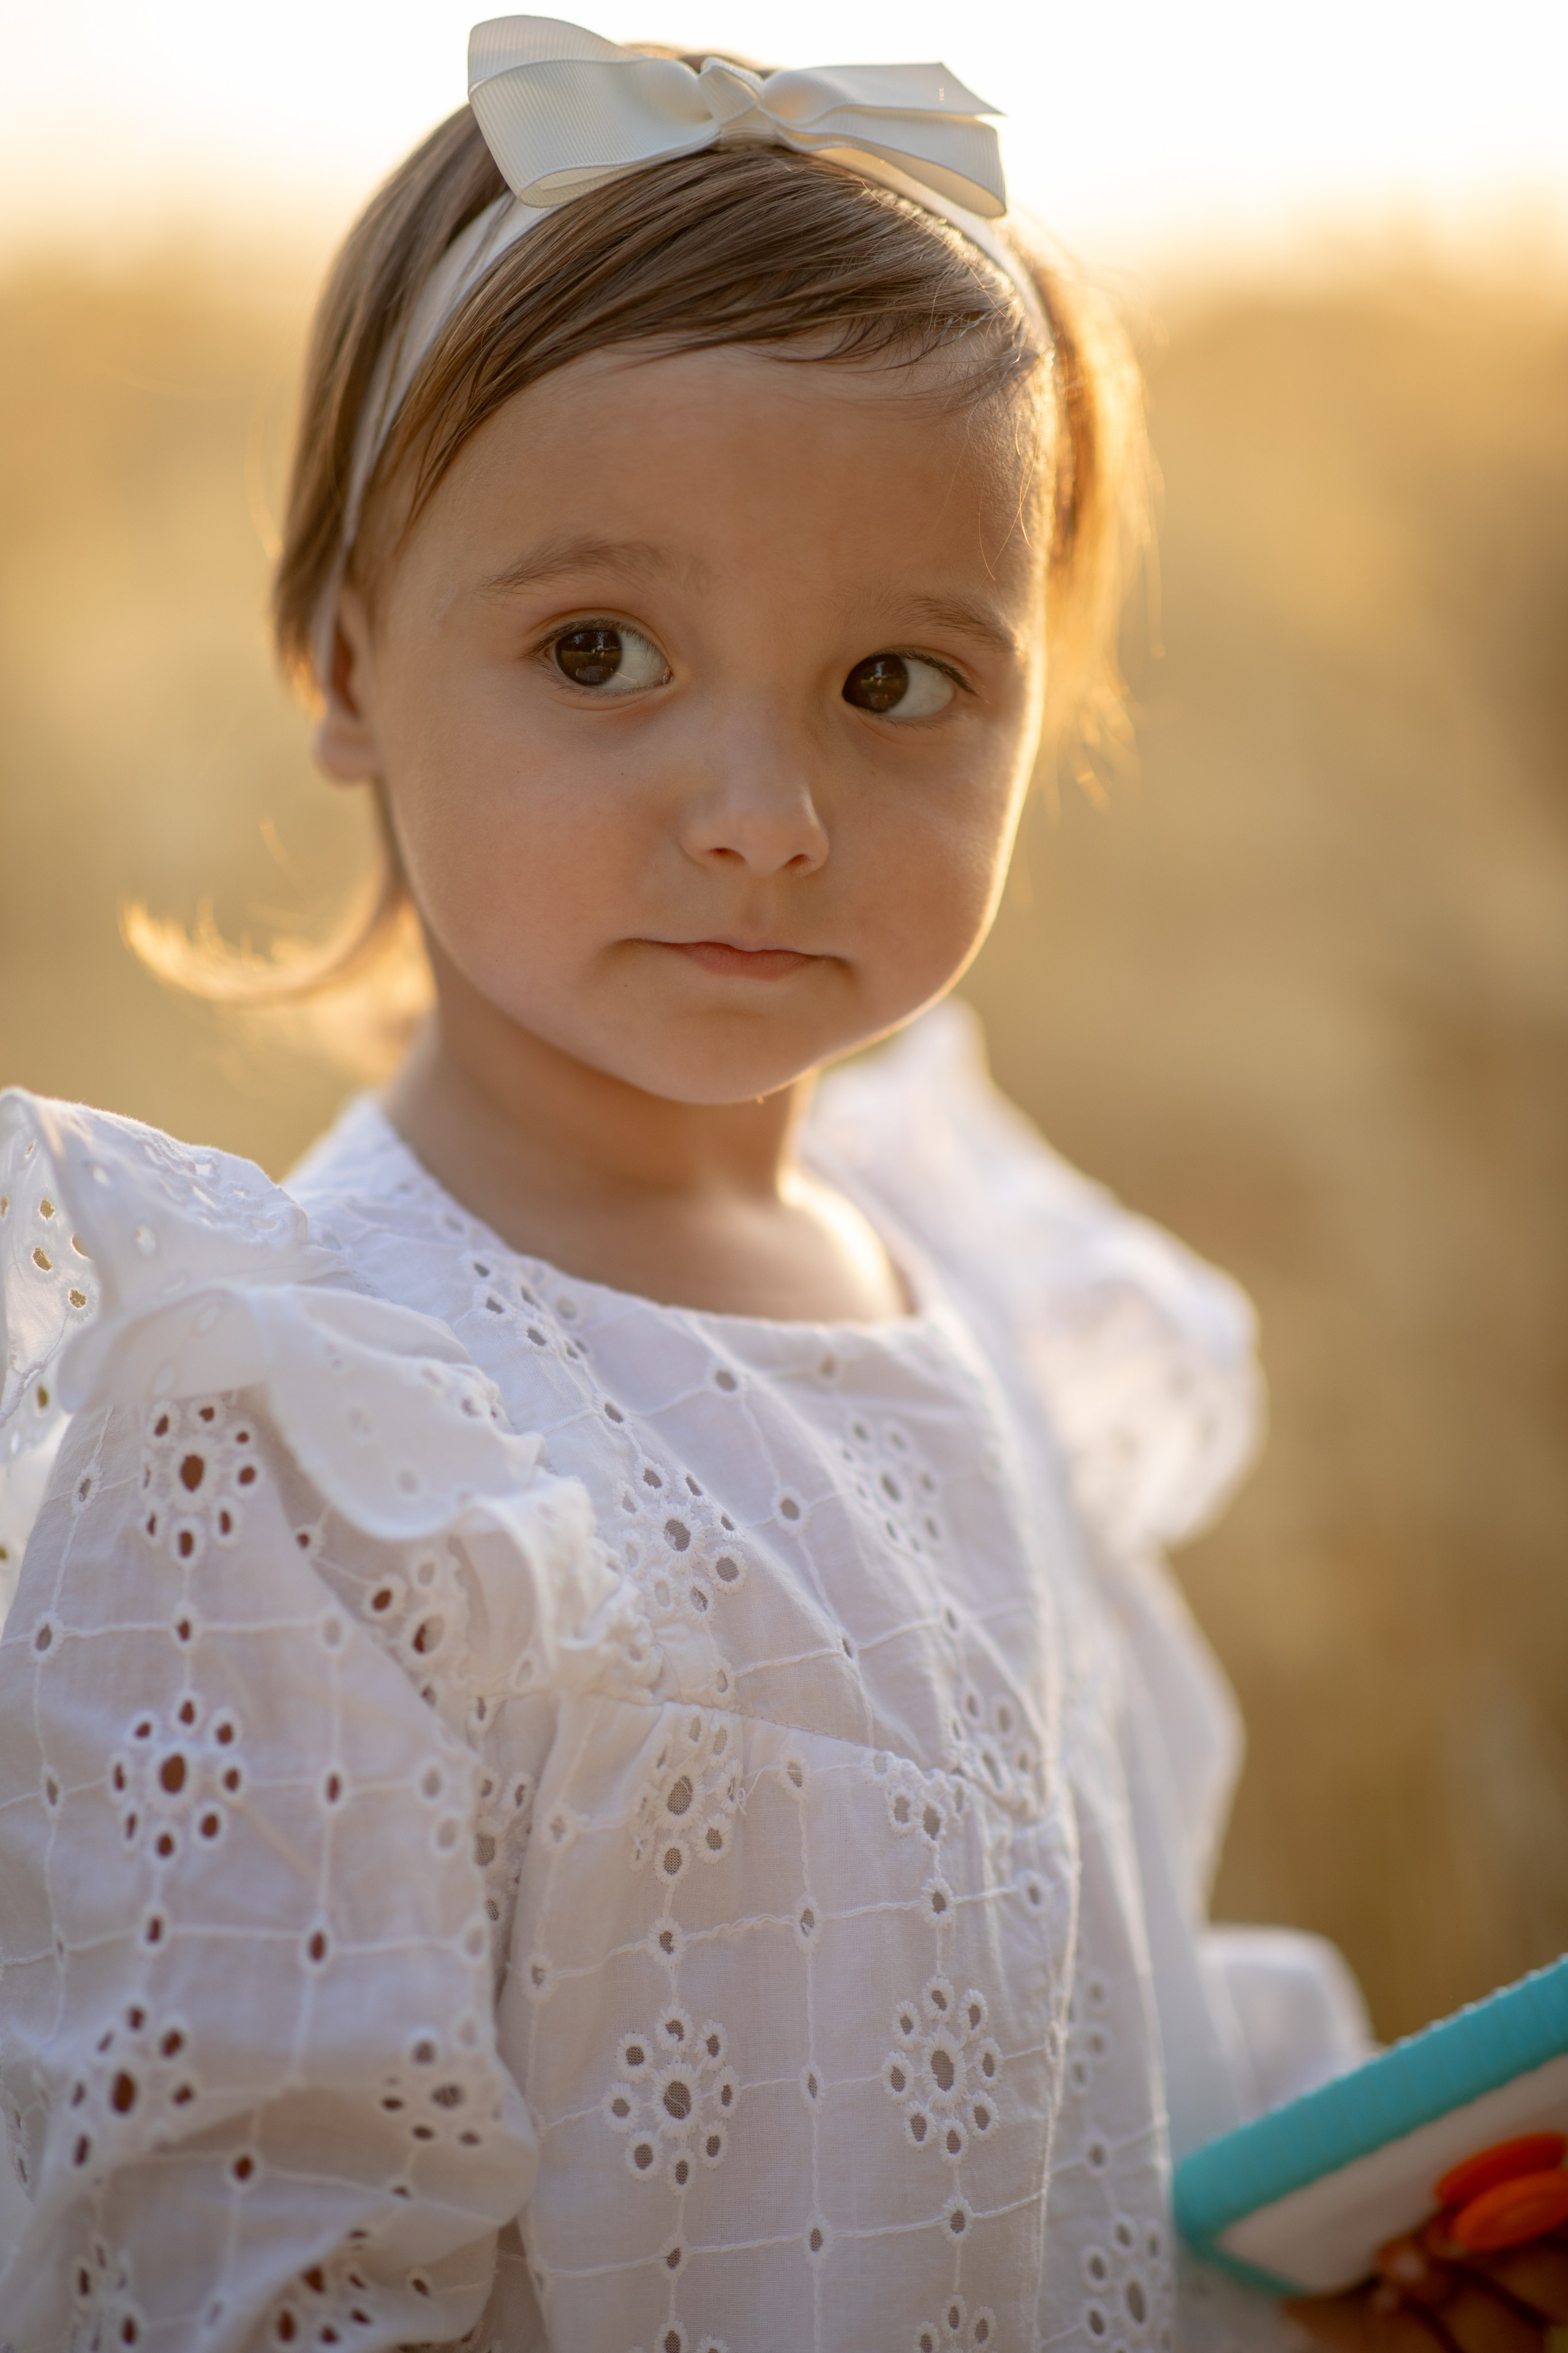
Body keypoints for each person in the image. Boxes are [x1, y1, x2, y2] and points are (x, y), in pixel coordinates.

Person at [0, 21, 1560, 2352]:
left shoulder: (989, 1298)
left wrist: (1320, 2262)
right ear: (343, 657)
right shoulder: (304, 1438)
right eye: (600, 652)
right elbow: (249, 2265)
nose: (766, 809)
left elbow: (1091, 2001)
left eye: (900, 680)